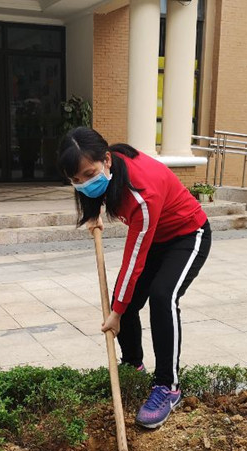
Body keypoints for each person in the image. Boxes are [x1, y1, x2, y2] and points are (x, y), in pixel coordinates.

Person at [58, 126, 211, 429]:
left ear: (106, 160)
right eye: (76, 180)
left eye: (89, 175)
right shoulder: (109, 168)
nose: (84, 184)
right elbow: (101, 192)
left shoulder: (142, 193)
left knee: (162, 296)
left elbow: (133, 261)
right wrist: (94, 212)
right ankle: (133, 366)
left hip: (187, 235)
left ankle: (168, 386)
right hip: (154, 237)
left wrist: (115, 313)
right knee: (124, 301)